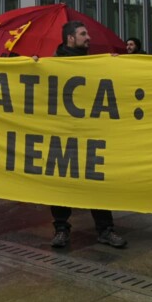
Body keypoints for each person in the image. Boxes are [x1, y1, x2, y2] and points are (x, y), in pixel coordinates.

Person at [45, 21, 127, 249]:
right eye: (83, 34)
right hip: (62, 134)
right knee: (61, 184)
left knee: (96, 182)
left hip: (90, 134)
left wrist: (115, 66)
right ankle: (61, 229)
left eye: (87, 33)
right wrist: (33, 66)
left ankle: (105, 229)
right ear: (70, 38)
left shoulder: (94, 63)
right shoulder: (51, 64)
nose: (88, 37)